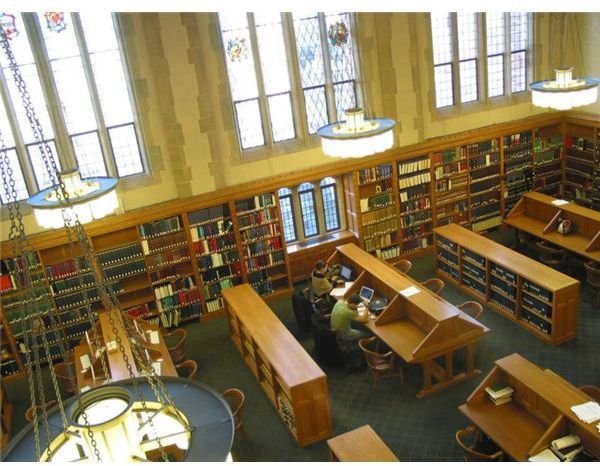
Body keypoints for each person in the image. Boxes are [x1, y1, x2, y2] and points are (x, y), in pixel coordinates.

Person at [330, 294, 371, 371]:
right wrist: (367, 307)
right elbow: (364, 319)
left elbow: (352, 309)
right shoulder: (347, 312)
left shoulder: (340, 302)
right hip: (343, 333)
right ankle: (364, 350)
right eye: (356, 305)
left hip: (335, 329)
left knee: (357, 325)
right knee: (368, 334)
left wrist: (357, 307)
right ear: (352, 303)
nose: (357, 306)